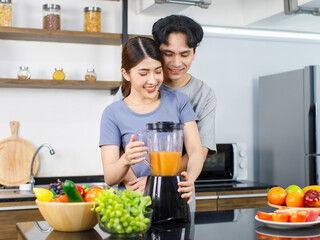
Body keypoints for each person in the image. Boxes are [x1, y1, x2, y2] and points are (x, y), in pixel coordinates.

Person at [116, 15, 217, 194]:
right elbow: (116, 147)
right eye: (168, 54)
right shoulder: (135, 86)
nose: (176, 63)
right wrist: (138, 184)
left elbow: (199, 150)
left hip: (178, 190)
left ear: (194, 54)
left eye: (184, 54)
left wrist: (156, 181)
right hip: (132, 191)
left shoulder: (204, 94)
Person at [100, 37, 204, 204]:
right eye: (143, 73)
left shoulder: (179, 102)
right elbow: (110, 177)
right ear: (126, 74)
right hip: (131, 206)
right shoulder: (113, 113)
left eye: (157, 71)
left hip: (172, 199)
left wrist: (190, 179)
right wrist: (126, 159)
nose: (152, 80)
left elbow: (195, 151)